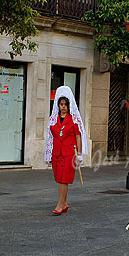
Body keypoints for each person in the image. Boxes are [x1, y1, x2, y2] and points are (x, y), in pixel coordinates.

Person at [44, 86, 86, 215]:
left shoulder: (73, 119)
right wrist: (48, 154)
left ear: (69, 106)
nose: (63, 107)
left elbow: (78, 136)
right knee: (59, 178)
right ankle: (65, 203)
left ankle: (59, 205)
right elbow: (49, 137)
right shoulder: (53, 119)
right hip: (57, 153)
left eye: (66, 105)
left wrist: (79, 154)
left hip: (69, 153)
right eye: (61, 104)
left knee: (64, 179)